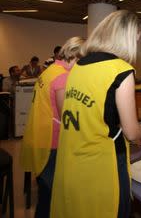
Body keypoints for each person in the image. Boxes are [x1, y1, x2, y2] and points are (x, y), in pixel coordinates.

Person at [50, 11, 141, 218]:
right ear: (126, 37)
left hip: (73, 161)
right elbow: (132, 132)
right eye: (136, 38)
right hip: (103, 164)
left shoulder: (79, 65)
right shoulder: (121, 70)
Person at [20, 36, 84, 218]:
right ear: (75, 56)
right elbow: (67, 116)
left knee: (45, 193)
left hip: (39, 135)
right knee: (50, 197)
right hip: (52, 141)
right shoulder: (62, 77)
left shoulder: (50, 71)